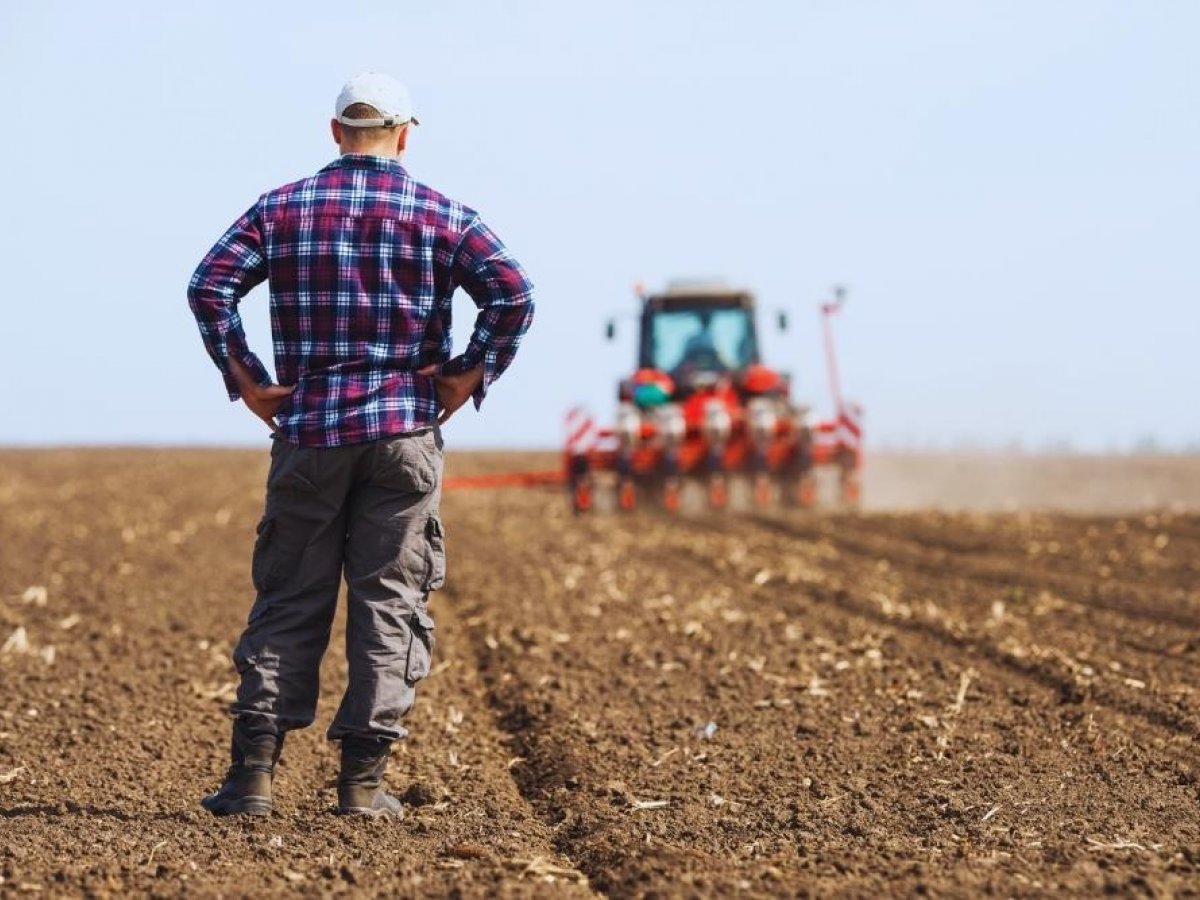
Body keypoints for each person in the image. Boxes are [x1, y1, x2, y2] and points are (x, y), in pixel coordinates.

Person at [187, 72, 534, 818]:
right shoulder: (445, 216)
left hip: (309, 431)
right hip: (404, 434)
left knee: (289, 598)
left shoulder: (281, 209)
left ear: (335, 132)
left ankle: (252, 780)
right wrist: (469, 373)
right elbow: (514, 294)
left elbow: (208, 285)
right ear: (405, 135)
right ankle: (363, 786)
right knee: (390, 602)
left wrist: (246, 379)